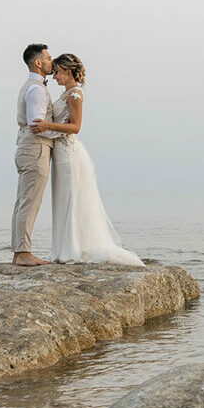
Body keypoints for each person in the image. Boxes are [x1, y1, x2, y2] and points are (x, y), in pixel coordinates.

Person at [30, 53, 143, 266]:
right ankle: (64, 248)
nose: (54, 77)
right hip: (60, 152)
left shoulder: (75, 95)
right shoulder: (65, 95)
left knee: (72, 198)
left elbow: (75, 127)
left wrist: (47, 126)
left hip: (69, 153)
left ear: (67, 71)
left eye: (57, 73)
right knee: (62, 199)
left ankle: (73, 250)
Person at [11, 43, 54, 266]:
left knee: (23, 201)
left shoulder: (32, 86)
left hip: (27, 147)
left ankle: (19, 252)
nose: (51, 61)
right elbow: (38, 125)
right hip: (35, 147)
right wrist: (65, 133)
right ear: (38, 62)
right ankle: (23, 253)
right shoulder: (37, 89)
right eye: (48, 57)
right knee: (29, 202)